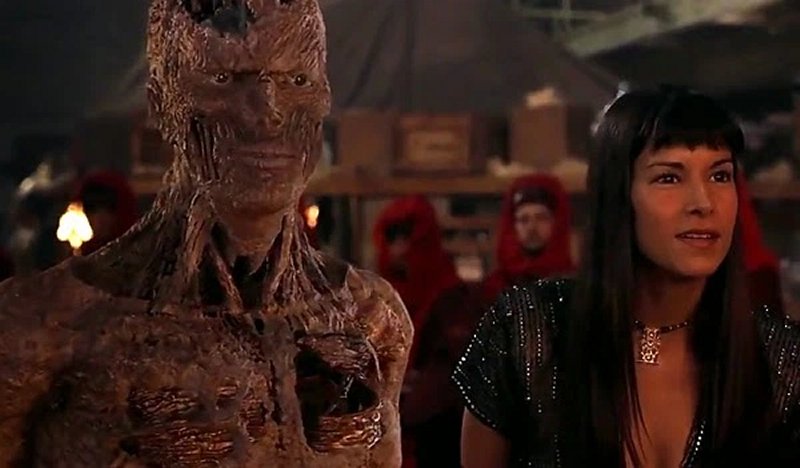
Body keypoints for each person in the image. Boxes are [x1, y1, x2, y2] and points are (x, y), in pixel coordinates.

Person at [0, 0, 412, 465]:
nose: (268, 112)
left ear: (324, 97)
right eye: (224, 79)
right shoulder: (43, 328)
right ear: (162, 102)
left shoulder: (370, 318)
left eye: (297, 80)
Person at [453, 88, 800, 467]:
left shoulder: (779, 360)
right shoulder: (529, 332)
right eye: (669, 177)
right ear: (619, 196)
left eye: (720, 175)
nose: (703, 203)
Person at [481, 174, 574, 304]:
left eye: (541, 218)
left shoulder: (573, 286)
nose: (532, 227)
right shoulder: (494, 287)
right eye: (524, 220)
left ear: (556, 223)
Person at [75, 170, 139, 255]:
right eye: (92, 209)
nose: (99, 218)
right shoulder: (84, 253)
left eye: (108, 210)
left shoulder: (137, 250)